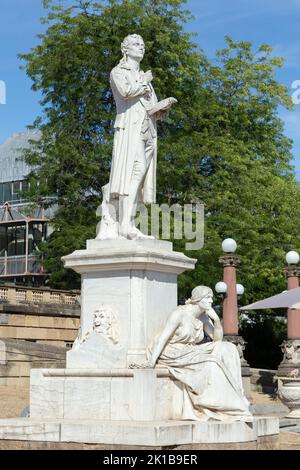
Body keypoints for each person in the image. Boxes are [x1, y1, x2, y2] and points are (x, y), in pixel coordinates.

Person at [141, 286, 252, 422]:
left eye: (211, 297)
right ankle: (219, 404)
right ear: (198, 299)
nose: (211, 300)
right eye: (208, 297)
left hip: (189, 349)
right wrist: (151, 362)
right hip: (172, 350)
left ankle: (238, 397)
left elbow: (217, 340)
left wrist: (217, 321)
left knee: (228, 348)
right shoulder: (180, 313)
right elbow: (163, 338)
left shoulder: (203, 317)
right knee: (212, 362)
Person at [103, 34, 168, 239]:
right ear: (126, 49)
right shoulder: (118, 72)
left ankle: (129, 223)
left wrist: (160, 109)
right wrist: (144, 81)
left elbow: (148, 104)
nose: (141, 47)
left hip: (148, 130)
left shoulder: (141, 74)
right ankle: (125, 224)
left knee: (139, 179)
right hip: (130, 129)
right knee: (133, 173)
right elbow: (125, 92)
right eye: (136, 44)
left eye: (142, 44)